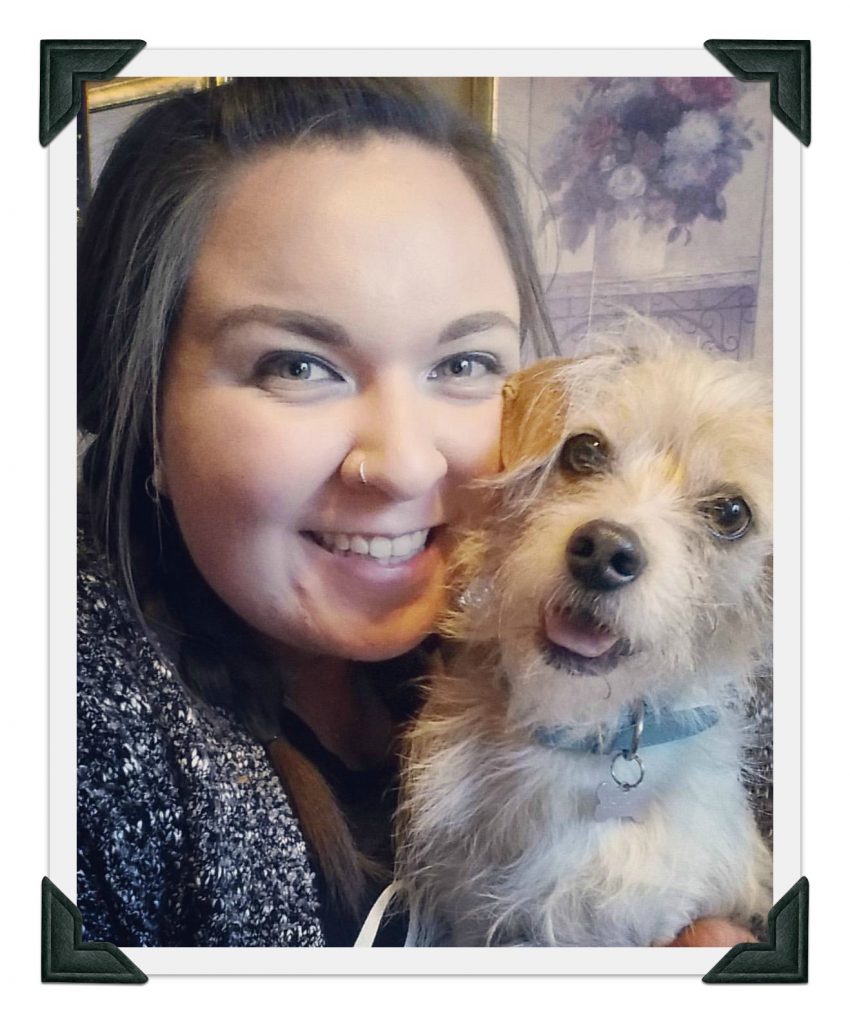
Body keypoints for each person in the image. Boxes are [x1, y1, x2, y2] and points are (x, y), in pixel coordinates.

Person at [77, 76, 757, 948]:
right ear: (139, 403)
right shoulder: (82, 732)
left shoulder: (582, 634)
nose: (402, 464)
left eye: (465, 363)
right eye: (296, 365)